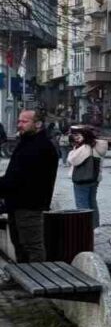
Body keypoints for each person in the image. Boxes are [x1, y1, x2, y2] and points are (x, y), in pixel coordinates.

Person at [0, 110, 59, 262]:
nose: (20, 125)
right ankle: (23, 273)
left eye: (24, 121)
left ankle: (37, 275)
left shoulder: (41, 146)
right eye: (19, 121)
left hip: (29, 206)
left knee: (32, 246)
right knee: (19, 245)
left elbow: (19, 178)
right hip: (16, 204)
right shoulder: (27, 142)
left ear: (38, 124)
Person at [67, 126, 108, 228]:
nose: (76, 138)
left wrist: (73, 150)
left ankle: (84, 227)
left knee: (82, 203)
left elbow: (73, 160)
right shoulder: (97, 145)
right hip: (94, 178)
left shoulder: (85, 147)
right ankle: (95, 226)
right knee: (92, 202)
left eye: (77, 135)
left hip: (82, 179)